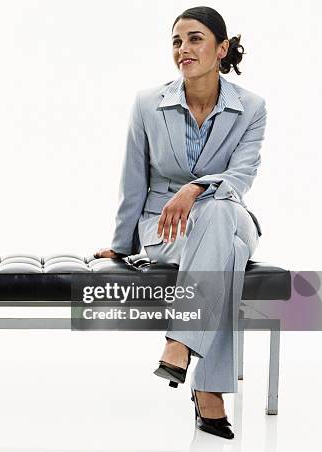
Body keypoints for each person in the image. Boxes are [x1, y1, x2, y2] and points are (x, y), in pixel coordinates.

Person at [94, 6, 266, 439]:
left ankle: (182, 342)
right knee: (230, 254)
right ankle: (209, 391)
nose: (183, 49)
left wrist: (194, 190)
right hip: (166, 229)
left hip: (230, 212)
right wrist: (121, 244)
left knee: (220, 211)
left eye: (194, 38)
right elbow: (133, 179)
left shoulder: (251, 108)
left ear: (221, 48)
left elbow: (240, 178)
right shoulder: (148, 104)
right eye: (176, 41)